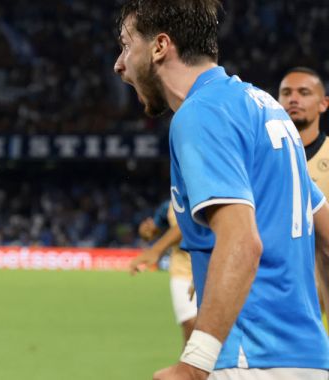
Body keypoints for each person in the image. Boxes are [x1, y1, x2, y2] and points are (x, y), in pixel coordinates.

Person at [114, 1, 329, 379]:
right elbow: (325, 231)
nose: (119, 64)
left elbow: (242, 242)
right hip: (306, 357)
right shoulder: (264, 106)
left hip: (250, 355)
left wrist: (194, 364)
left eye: (126, 45)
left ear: (160, 46)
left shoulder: (201, 113)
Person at [278, 67, 329, 319]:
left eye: (304, 92)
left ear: (323, 103)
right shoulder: (261, 161)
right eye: (286, 93)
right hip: (279, 296)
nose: (293, 99)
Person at [131, 200, 196, 345]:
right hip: (182, 271)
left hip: (210, 269)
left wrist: (156, 250)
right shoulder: (168, 207)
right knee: (190, 326)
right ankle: (189, 366)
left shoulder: (206, 195)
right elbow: (152, 231)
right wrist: (146, 231)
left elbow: (185, 225)